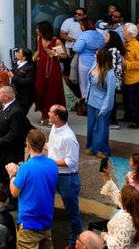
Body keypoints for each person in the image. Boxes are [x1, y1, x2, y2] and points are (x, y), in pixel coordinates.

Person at [7, 128, 59, 249]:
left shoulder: (26, 167)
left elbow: (14, 192)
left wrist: (12, 174)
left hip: (29, 223)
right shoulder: (52, 164)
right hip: (46, 221)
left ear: (28, 144)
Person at [46, 105, 83, 245]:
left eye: (50, 112)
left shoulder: (68, 137)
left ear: (56, 117)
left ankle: (76, 242)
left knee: (72, 213)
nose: (48, 113)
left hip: (67, 179)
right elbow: (52, 147)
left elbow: (71, 161)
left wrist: (52, 163)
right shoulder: (54, 128)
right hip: (55, 175)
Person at [86, 48, 118, 160]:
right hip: (91, 101)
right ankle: (91, 146)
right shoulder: (95, 65)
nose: (94, 56)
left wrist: (105, 108)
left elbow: (110, 93)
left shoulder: (109, 74)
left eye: (96, 54)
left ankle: (102, 149)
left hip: (102, 103)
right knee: (91, 126)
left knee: (101, 127)